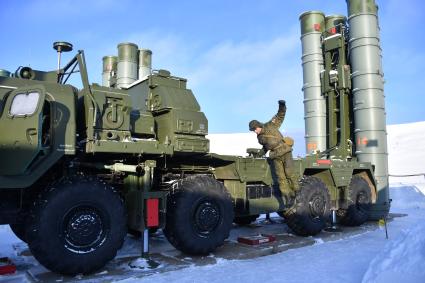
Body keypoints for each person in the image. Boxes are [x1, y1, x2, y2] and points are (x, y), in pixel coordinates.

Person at [249, 100, 298, 206]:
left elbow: (280, 116)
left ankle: (296, 192)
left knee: (289, 173)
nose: (255, 131)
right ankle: (288, 197)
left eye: (255, 129)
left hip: (285, 150)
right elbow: (265, 147)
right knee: (281, 178)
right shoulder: (260, 137)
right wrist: (259, 154)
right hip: (275, 155)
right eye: (253, 130)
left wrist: (282, 105)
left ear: (258, 125)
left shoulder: (270, 125)